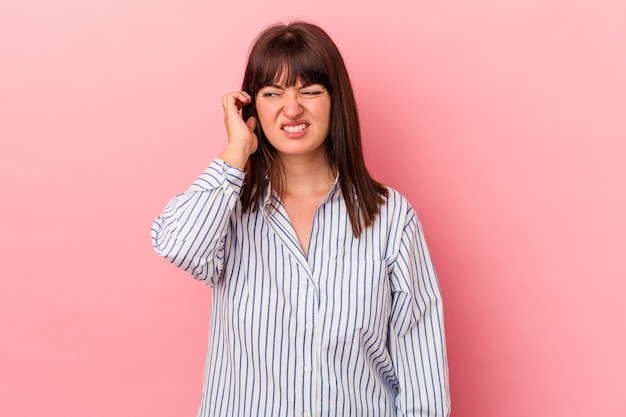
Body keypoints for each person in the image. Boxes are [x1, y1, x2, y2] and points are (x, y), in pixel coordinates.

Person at [151, 21, 450, 417]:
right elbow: (176, 245)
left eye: (310, 91)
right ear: (251, 105)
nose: (292, 109)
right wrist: (236, 149)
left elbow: (422, 371)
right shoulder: (227, 210)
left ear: (334, 100)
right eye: (273, 93)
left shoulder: (390, 217)